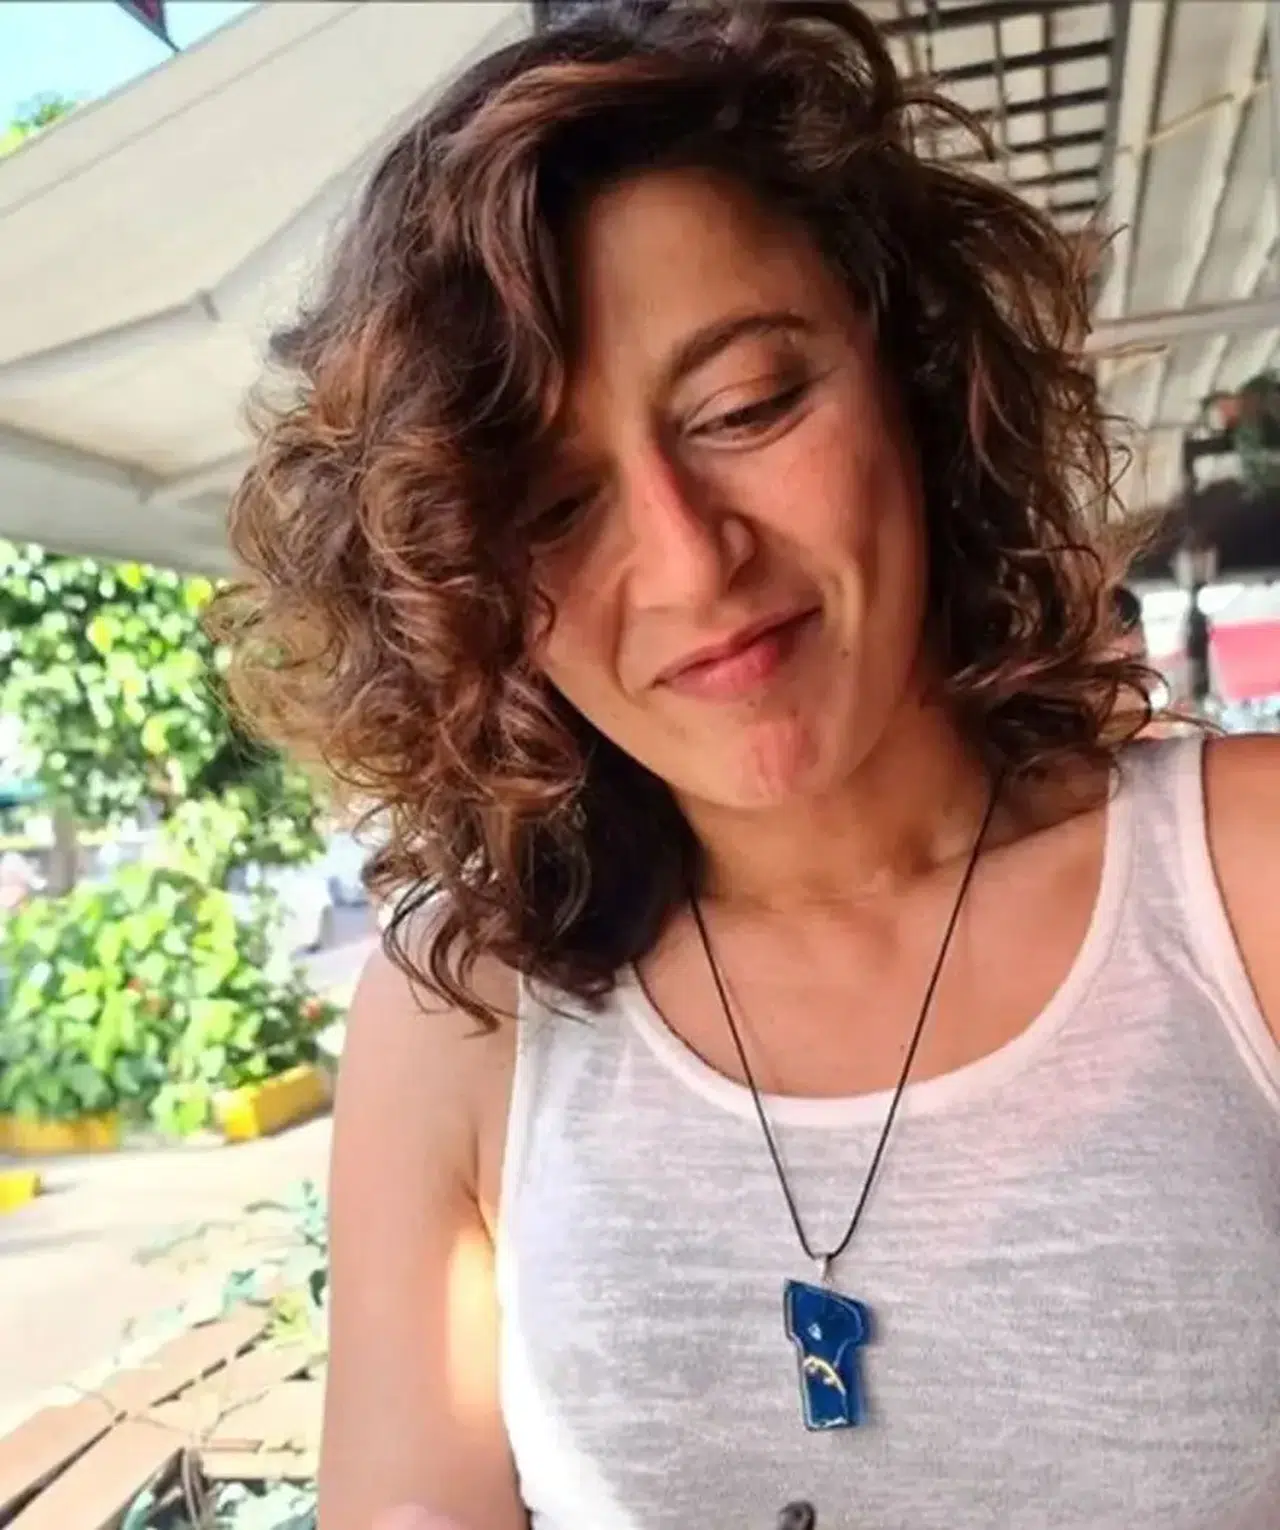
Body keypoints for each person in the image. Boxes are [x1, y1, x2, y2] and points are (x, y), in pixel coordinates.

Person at [212, 3, 1280, 1527]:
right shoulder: (468, 1012)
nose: (689, 559)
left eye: (747, 408)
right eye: (554, 506)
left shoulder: (1247, 881)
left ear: (914, 374)